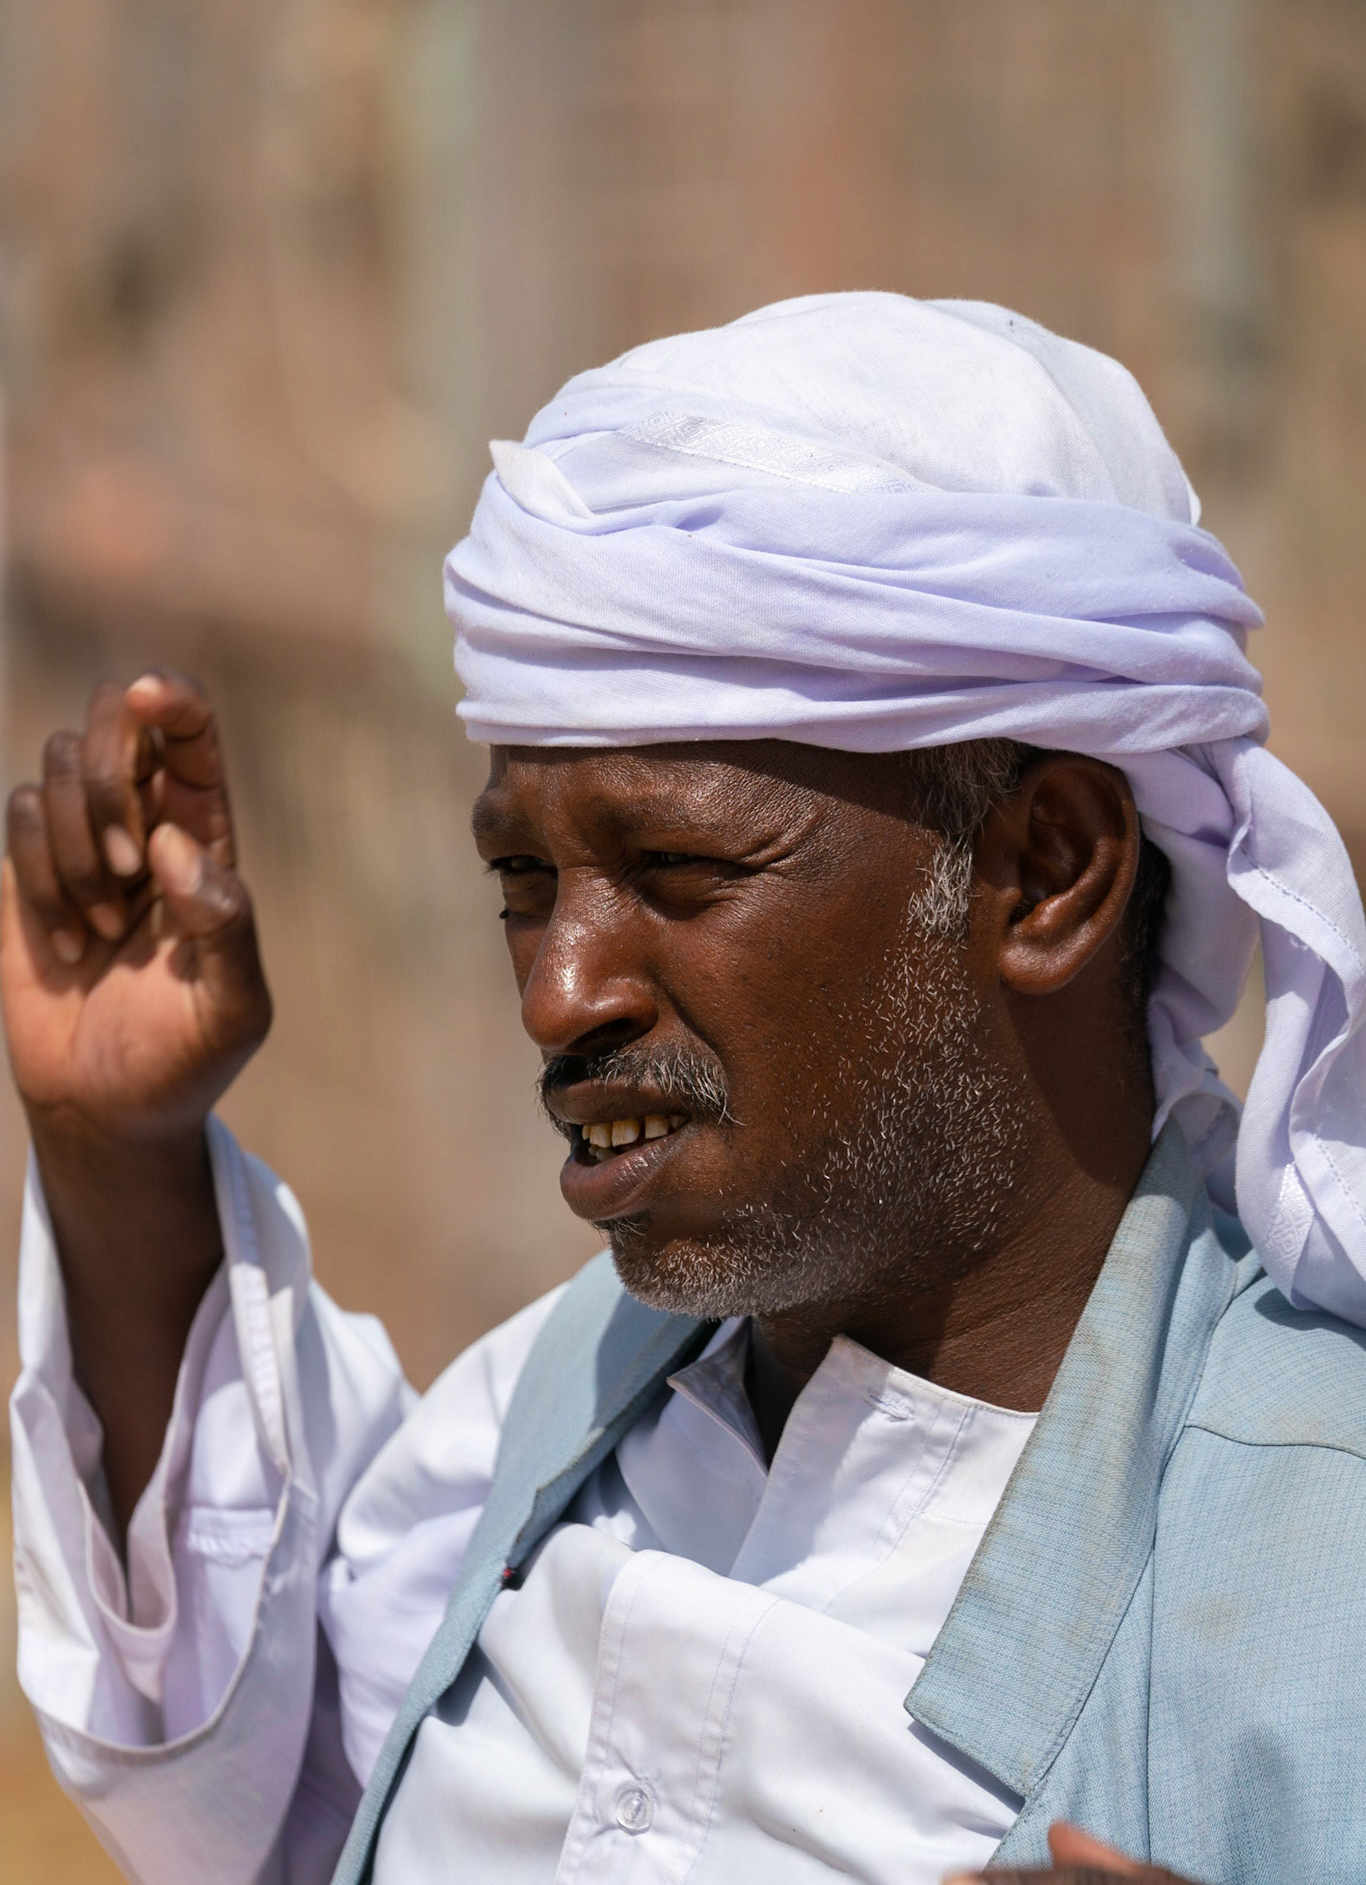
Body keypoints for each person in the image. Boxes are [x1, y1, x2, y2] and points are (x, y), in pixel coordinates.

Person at [6, 294, 1366, 1885]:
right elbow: (279, 1771)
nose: (557, 991)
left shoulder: (1309, 1572)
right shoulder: (569, 1408)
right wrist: (120, 1152)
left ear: (1045, 872)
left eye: (678, 870)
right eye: (525, 882)